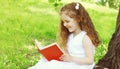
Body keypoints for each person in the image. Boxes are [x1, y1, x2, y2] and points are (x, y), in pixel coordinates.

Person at [28, 2, 100, 69]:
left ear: (78, 19)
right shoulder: (70, 36)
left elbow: (90, 60)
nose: (64, 24)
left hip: (81, 66)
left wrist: (71, 58)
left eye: (67, 21)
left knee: (52, 64)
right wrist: (49, 54)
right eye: (63, 22)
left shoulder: (85, 38)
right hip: (71, 63)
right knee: (44, 61)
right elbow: (66, 53)